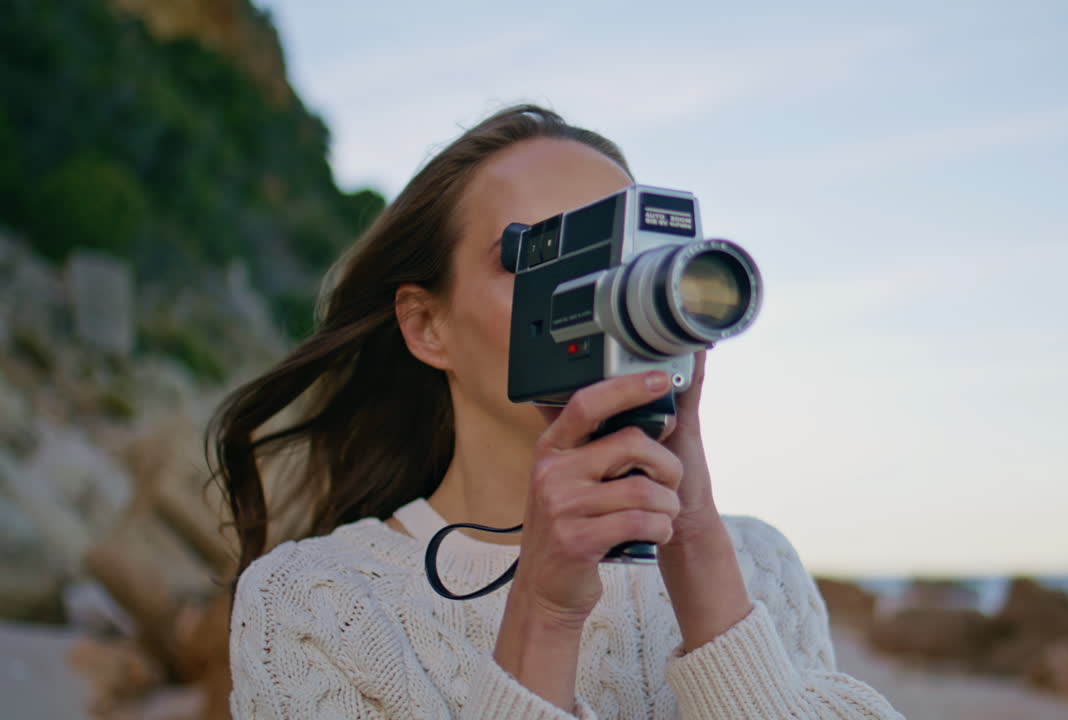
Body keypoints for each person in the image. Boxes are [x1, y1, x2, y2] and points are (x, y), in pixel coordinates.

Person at [213, 104, 902, 719]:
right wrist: (542, 615)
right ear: (427, 325)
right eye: (539, 258)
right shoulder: (312, 604)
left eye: (616, 256)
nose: (597, 296)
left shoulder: (754, 565)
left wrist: (696, 553)